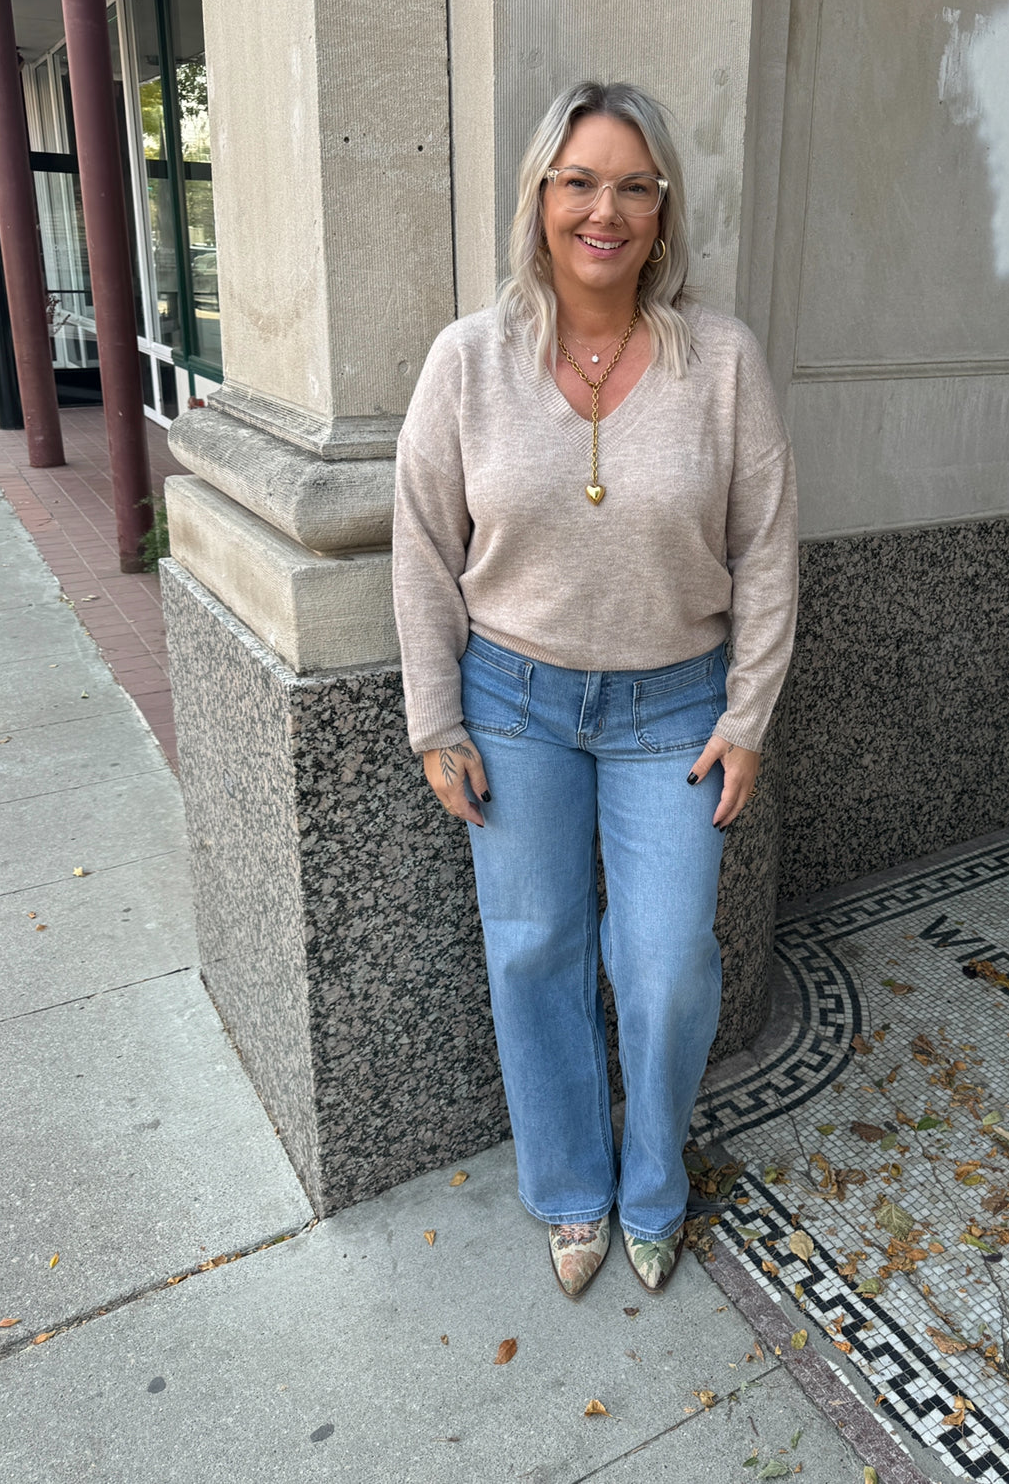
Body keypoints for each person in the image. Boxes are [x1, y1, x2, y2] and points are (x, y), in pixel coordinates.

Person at [392, 80, 798, 1299]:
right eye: (578, 182)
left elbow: (769, 546)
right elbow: (419, 539)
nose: (602, 210)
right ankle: (569, 1184)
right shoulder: (468, 360)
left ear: (661, 209)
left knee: (667, 959)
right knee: (533, 951)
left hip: (673, 713)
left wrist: (747, 719)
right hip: (510, 703)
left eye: (630, 184)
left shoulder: (719, 360)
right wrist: (435, 716)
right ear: (539, 199)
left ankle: (652, 1181)